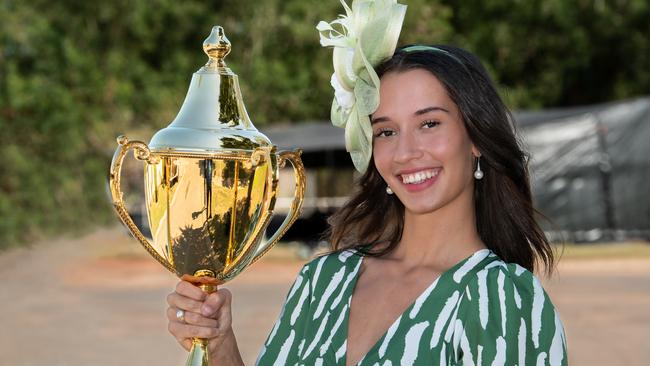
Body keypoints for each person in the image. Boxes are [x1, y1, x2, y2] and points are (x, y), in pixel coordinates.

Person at [166, 2, 568, 365]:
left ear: (477, 139)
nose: (407, 152)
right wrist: (220, 346)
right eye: (386, 131)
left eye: (429, 124)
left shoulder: (498, 300)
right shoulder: (323, 282)